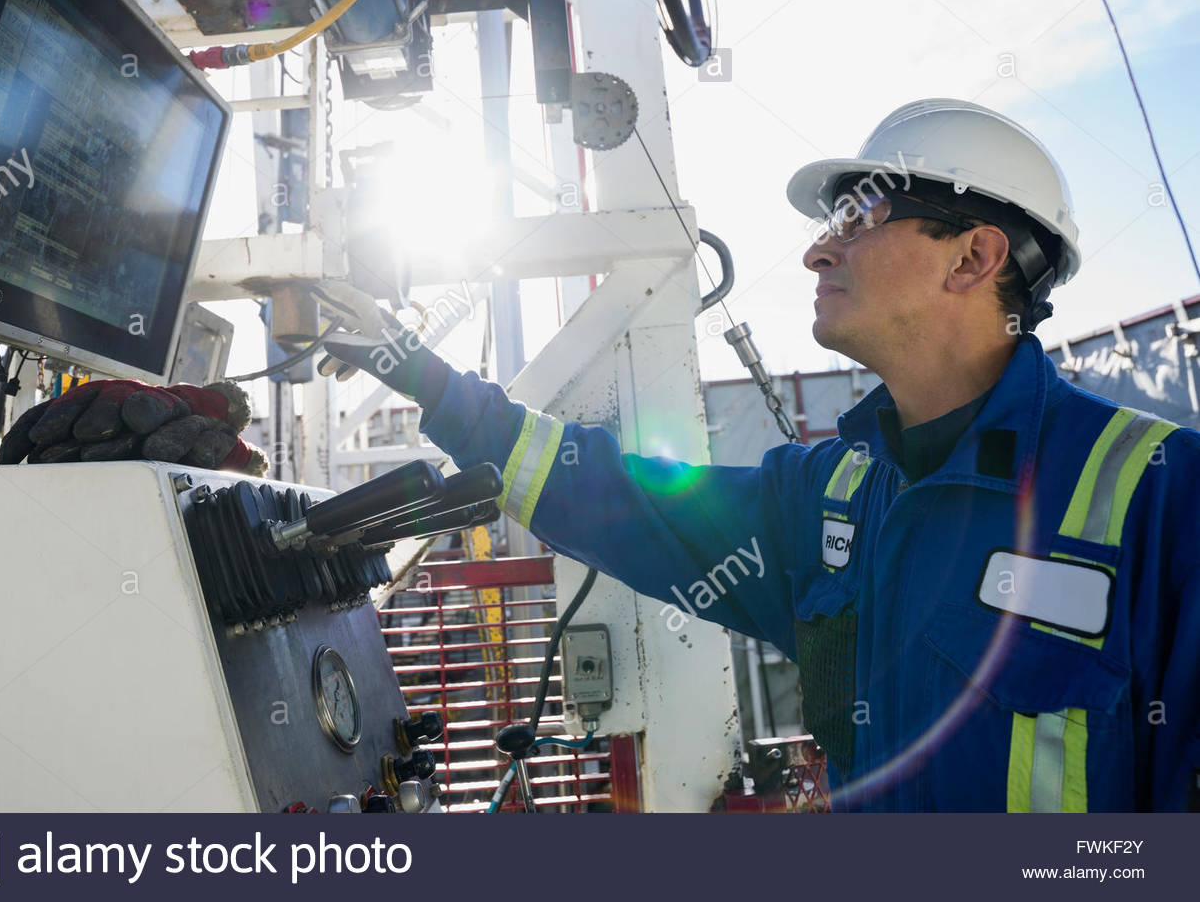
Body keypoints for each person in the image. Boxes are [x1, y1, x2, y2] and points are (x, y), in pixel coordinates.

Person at [318, 98, 1200, 812]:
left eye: (859, 217)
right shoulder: (832, 501)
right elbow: (621, 501)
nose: (819, 246)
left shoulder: (1166, 502)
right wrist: (423, 375)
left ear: (974, 256)